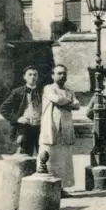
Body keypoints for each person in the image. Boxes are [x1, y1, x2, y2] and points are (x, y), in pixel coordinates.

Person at [38, 64, 80, 197]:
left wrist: (67, 102)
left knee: (64, 159)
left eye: (64, 74)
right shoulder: (48, 88)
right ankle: (48, 189)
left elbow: (78, 105)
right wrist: (70, 104)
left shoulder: (69, 90)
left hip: (65, 128)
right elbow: (57, 99)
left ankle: (61, 188)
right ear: (53, 75)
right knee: (49, 157)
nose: (62, 76)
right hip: (51, 127)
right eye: (59, 73)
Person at [0, 66, 42, 156]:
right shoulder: (17, 92)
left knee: (43, 156)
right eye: (30, 74)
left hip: (41, 128)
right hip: (25, 128)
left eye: (35, 75)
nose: (33, 77)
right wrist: (17, 119)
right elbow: (3, 109)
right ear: (24, 77)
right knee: (25, 156)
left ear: (38, 77)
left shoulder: (42, 91)